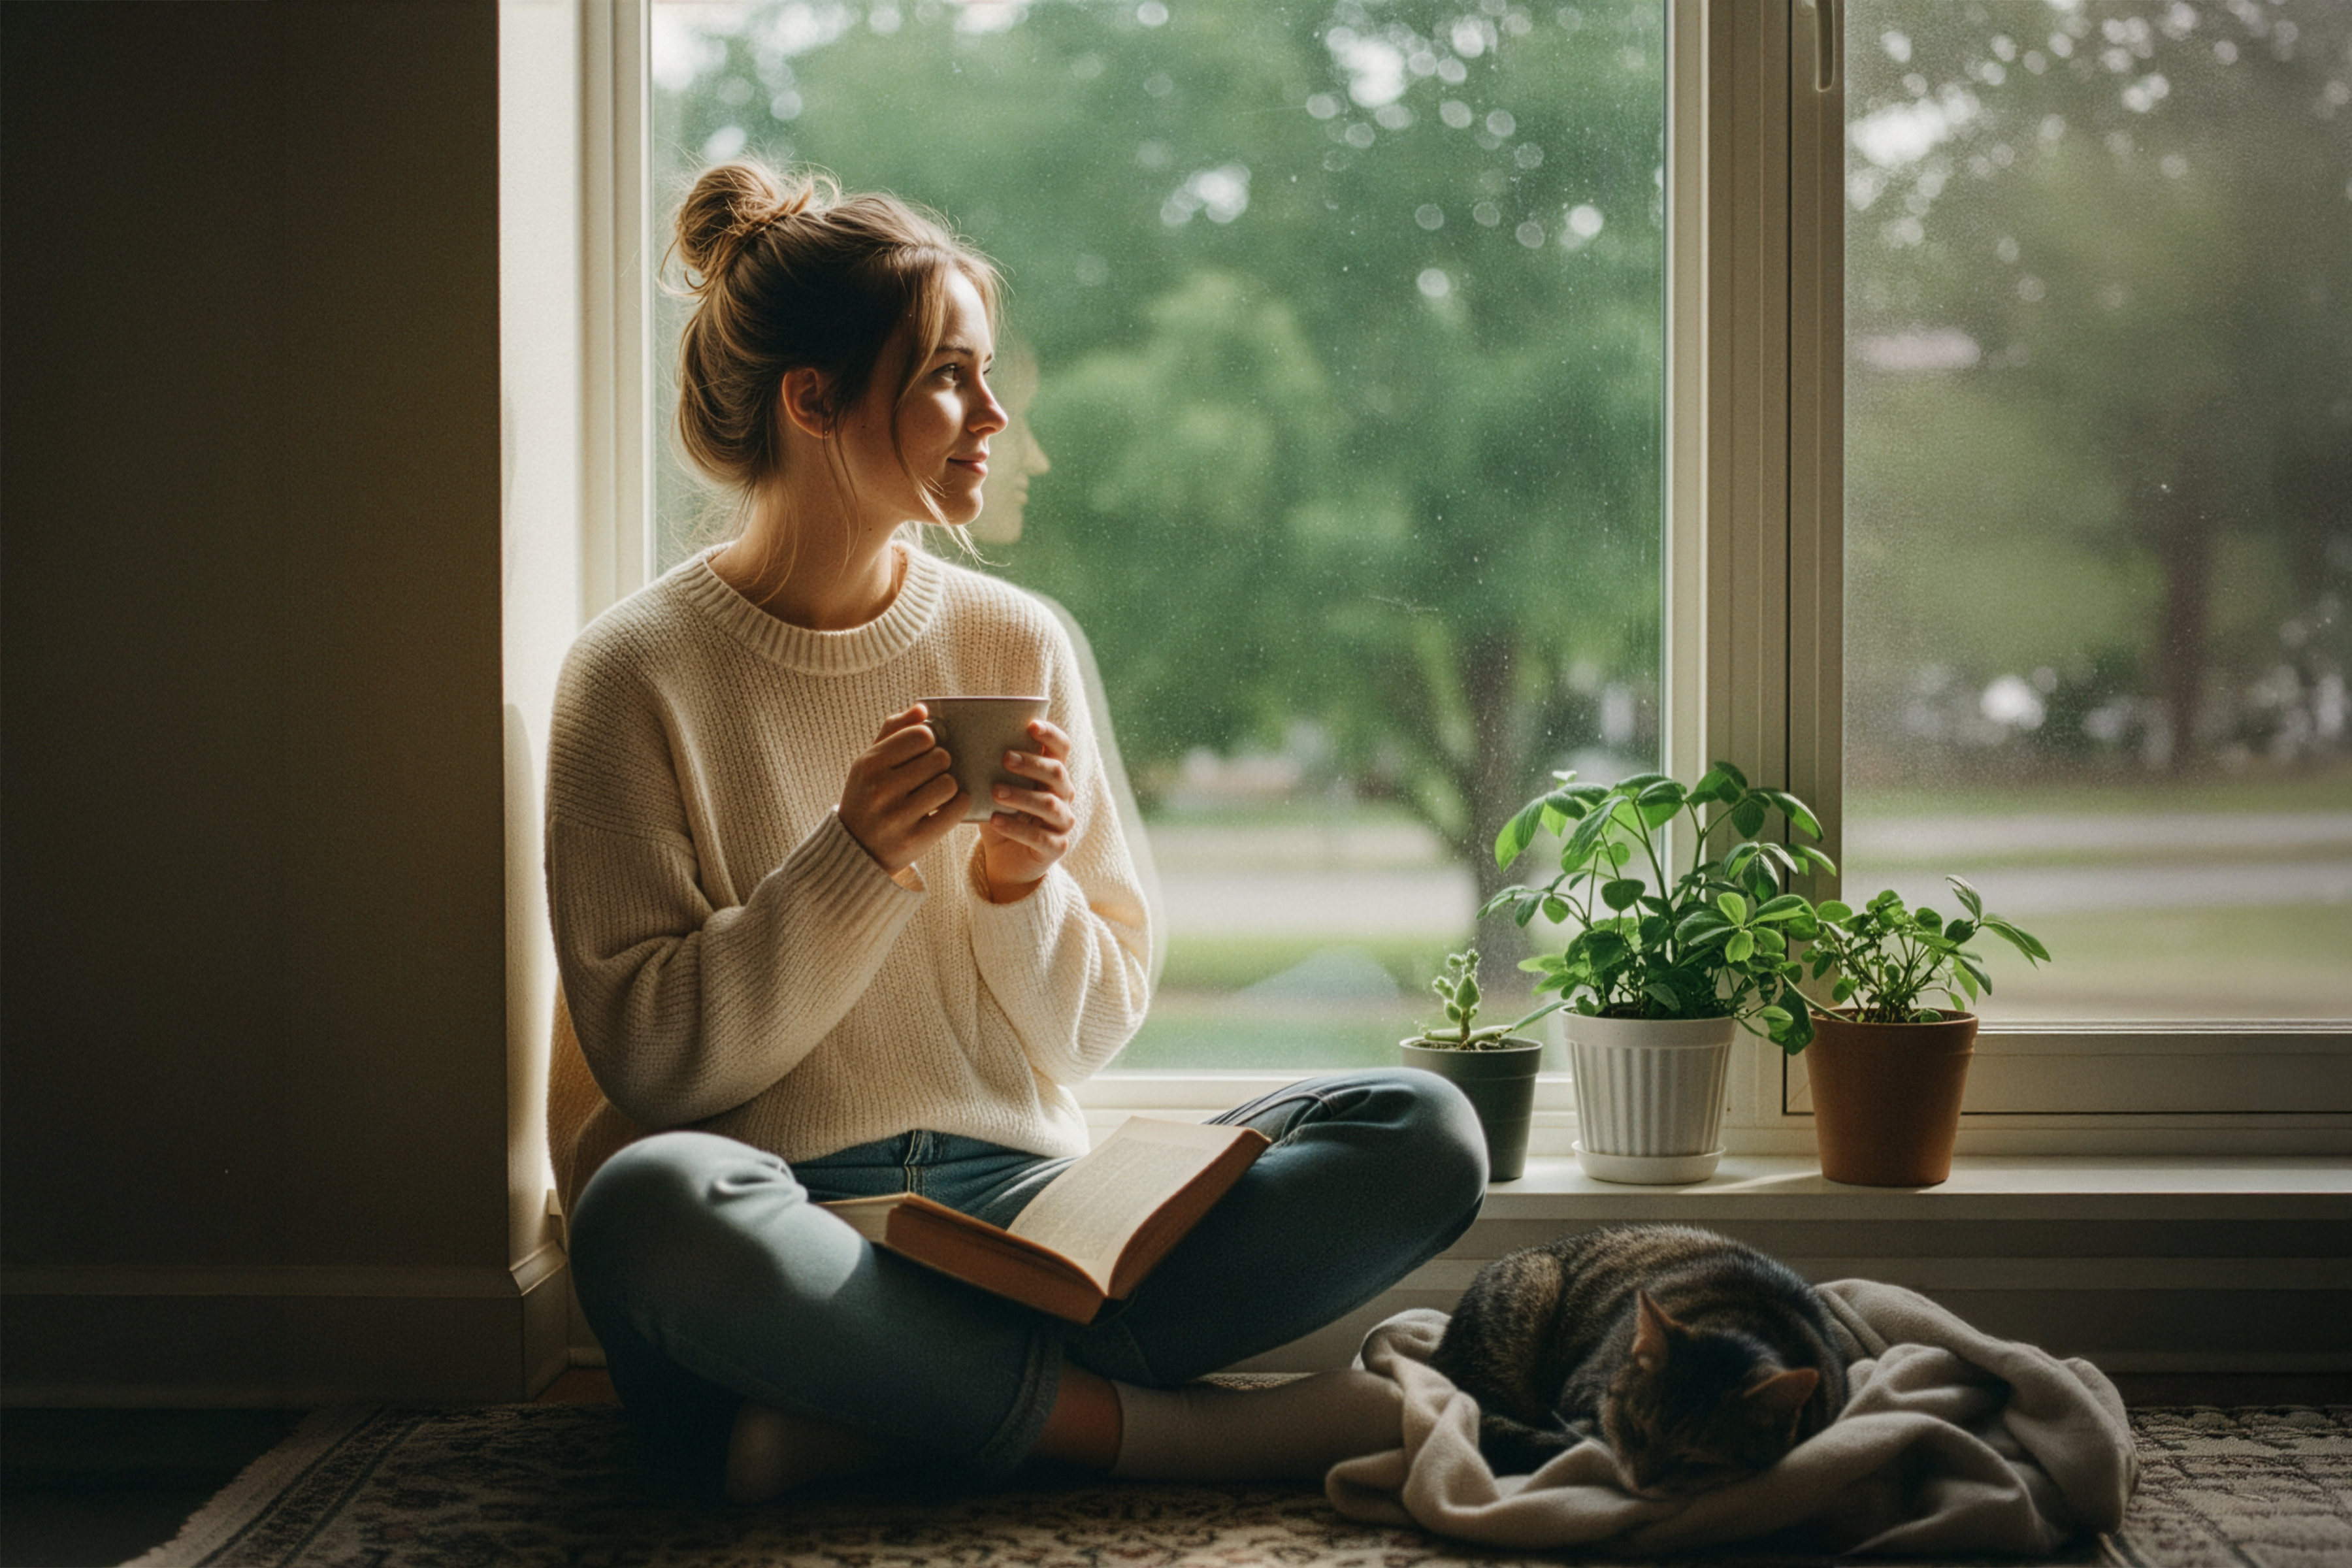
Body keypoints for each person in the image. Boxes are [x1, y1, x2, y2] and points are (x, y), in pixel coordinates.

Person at [547, 159, 1488, 1505]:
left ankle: (884, 1412)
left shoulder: (1012, 638)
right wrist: (852, 863)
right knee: (646, 1211)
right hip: (792, 1233)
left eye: (987, 376)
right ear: (812, 400)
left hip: (1025, 1220)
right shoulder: (632, 674)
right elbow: (657, 1063)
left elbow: (1088, 1034)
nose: (991, 418)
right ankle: (1162, 1437)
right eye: (946, 377)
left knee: (1423, 1130)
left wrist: (1017, 887)